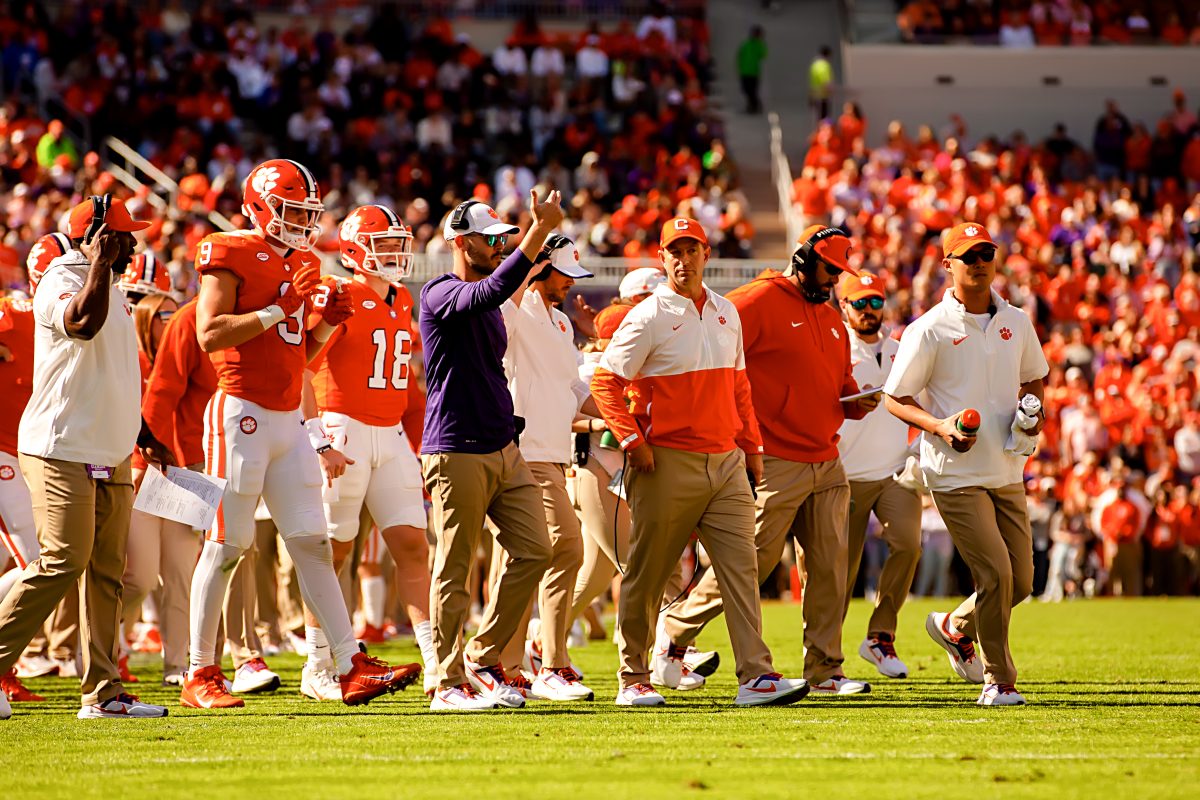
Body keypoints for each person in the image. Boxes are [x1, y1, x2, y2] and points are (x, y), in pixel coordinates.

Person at [184, 159, 420, 710]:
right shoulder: (231, 250)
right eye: (290, 210)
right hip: (239, 411)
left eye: (306, 213)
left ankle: (348, 664)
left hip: (288, 417)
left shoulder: (308, 263)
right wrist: (275, 310)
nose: (299, 222)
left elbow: (302, 356)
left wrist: (328, 323)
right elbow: (209, 333)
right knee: (225, 547)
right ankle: (200, 671)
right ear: (260, 206)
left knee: (314, 546)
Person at [590, 217, 810, 708]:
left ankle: (755, 675)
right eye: (674, 251)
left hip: (726, 461)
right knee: (647, 574)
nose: (682, 259)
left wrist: (751, 449)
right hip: (666, 461)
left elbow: (739, 388)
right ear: (662, 257)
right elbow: (605, 381)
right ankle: (632, 678)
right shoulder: (646, 315)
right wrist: (631, 442)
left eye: (691, 250)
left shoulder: (726, 312)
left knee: (742, 568)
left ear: (706, 254)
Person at [654, 226, 876, 697]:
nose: (835, 279)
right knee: (747, 563)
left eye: (840, 271)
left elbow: (838, 383)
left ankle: (824, 671)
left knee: (830, 572)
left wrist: (856, 401)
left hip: (826, 458)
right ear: (801, 260)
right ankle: (672, 632)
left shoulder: (834, 317)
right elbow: (711, 349)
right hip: (772, 459)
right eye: (829, 268)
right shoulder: (753, 301)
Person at [0, 196, 169, 720]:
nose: (134, 244)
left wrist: (141, 432)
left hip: (110, 447)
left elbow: (111, 369)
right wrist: (97, 262)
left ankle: (104, 692)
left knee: (105, 572)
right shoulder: (62, 277)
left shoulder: (113, 287)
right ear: (99, 238)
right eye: (124, 235)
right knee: (62, 559)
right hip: (61, 445)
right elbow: (81, 324)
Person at [884, 221, 1049, 707]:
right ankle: (999, 680)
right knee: (996, 576)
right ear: (947, 265)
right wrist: (939, 427)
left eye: (985, 253)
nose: (978, 262)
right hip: (953, 472)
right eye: (967, 255)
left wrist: (1032, 417)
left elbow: (1036, 379)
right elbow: (896, 397)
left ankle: (956, 627)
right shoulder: (928, 328)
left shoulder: (1016, 321)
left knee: (1021, 583)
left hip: (1007, 467)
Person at [419, 192, 562, 712]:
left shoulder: (482, 295)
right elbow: (492, 290)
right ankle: (446, 682)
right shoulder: (439, 291)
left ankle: (481, 657)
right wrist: (538, 232)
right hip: (455, 448)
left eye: (504, 236)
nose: (499, 244)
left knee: (537, 549)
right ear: (461, 242)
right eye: (490, 237)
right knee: (453, 570)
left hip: (502, 446)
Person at [297, 204, 439, 699]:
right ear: (356, 249)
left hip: (391, 433)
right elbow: (299, 365)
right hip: (344, 428)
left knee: (412, 546)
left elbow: (407, 382)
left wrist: (420, 442)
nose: (396, 254)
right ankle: (318, 664)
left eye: (399, 244)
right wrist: (317, 437)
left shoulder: (402, 299)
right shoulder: (338, 293)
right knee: (332, 552)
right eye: (385, 245)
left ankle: (435, 663)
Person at [498, 234, 598, 702]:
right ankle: (550, 661)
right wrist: (526, 275)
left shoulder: (560, 323)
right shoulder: (517, 309)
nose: (568, 285)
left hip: (555, 453)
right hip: (526, 453)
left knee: (523, 561)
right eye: (562, 273)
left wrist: (620, 417)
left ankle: (506, 664)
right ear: (541, 269)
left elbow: (575, 389)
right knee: (566, 549)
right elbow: (498, 324)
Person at [837, 272, 923, 680]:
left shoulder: (901, 349)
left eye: (875, 303)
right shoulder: (833, 349)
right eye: (860, 304)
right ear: (844, 307)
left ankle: (880, 636)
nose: (869, 311)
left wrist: (917, 451)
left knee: (908, 545)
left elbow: (923, 399)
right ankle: (824, 654)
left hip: (893, 471)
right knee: (838, 570)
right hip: (844, 474)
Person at [737, 26, 768, 115]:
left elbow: (764, 54)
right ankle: (753, 104)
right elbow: (740, 55)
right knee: (746, 90)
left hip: (754, 72)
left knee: (752, 90)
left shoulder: (759, 45)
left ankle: (753, 106)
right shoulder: (746, 44)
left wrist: (761, 42)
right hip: (745, 71)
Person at [809, 46, 834, 121]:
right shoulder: (824, 65)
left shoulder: (814, 64)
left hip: (814, 96)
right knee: (825, 121)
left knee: (818, 120)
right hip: (823, 97)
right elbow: (825, 82)